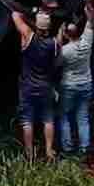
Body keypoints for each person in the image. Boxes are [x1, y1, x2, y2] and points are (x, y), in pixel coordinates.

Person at [11, 10, 60, 161]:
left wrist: (27, 16)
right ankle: (49, 150)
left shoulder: (27, 35)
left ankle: (29, 153)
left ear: (36, 26)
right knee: (48, 119)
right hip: (46, 87)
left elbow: (15, 16)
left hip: (28, 87)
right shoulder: (54, 44)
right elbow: (59, 43)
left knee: (27, 121)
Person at [56, 2, 94, 158]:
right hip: (86, 84)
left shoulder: (65, 51)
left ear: (67, 34)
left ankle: (67, 149)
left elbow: (56, 60)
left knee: (64, 116)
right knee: (83, 116)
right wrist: (89, 14)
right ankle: (84, 148)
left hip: (68, 86)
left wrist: (59, 33)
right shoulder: (87, 43)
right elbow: (90, 25)